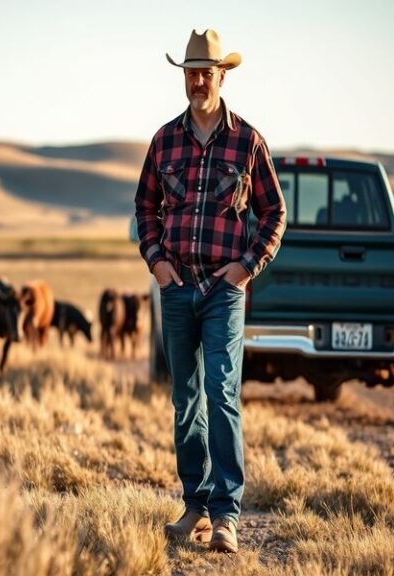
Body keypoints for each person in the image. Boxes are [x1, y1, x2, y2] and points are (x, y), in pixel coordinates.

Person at [134, 29, 286, 554]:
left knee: (221, 395)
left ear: (223, 76)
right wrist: (156, 262)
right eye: (191, 72)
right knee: (185, 400)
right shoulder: (164, 141)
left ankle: (226, 516)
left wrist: (247, 266)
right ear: (184, 77)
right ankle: (194, 504)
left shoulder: (248, 141)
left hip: (224, 289)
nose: (198, 80)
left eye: (207, 72)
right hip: (176, 288)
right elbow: (144, 209)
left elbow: (274, 213)